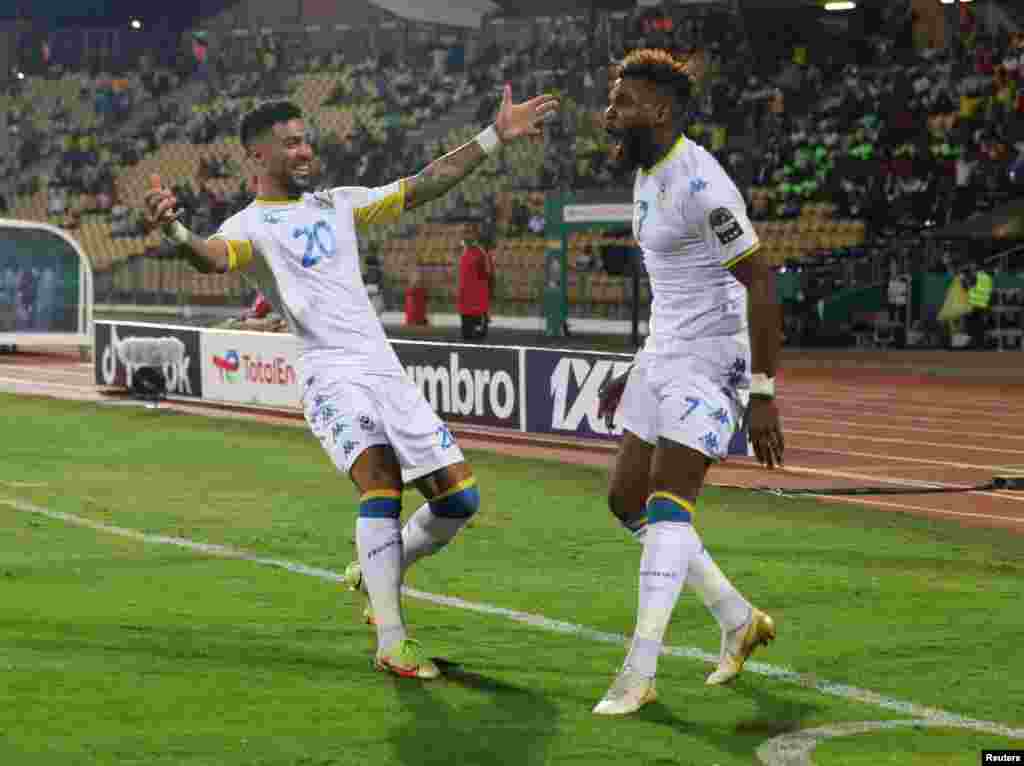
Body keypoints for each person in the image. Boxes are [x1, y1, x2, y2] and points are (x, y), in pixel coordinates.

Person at [143, 90, 558, 680]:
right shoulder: (251, 226)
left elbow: (426, 183)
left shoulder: (338, 203)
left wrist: (494, 136)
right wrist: (178, 232)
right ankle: (392, 640)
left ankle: (374, 569)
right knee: (381, 485)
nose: (305, 149)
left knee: (460, 500)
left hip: (383, 368)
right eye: (290, 143)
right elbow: (213, 257)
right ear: (258, 157)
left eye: (305, 137)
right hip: (330, 373)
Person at [591, 49, 785, 716]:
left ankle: (639, 672)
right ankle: (737, 618)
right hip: (665, 353)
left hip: (713, 360)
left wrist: (760, 391)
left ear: (661, 110)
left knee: (671, 508)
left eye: (621, 104)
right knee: (626, 501)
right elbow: (674, 289)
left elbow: (759, 278)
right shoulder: (646, 174)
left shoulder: (703, 185)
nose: (608, 115)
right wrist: (636, 368)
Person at [457, 223, 492, 341]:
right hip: (465, 305)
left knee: (479, 341)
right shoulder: (462, 252)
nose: (465, 236)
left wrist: (485, 303)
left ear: (476, 235)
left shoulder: (481, 253)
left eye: (468, 232)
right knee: (466, 339)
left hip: (478, 306)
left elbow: (489, 275)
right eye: (464, 233)